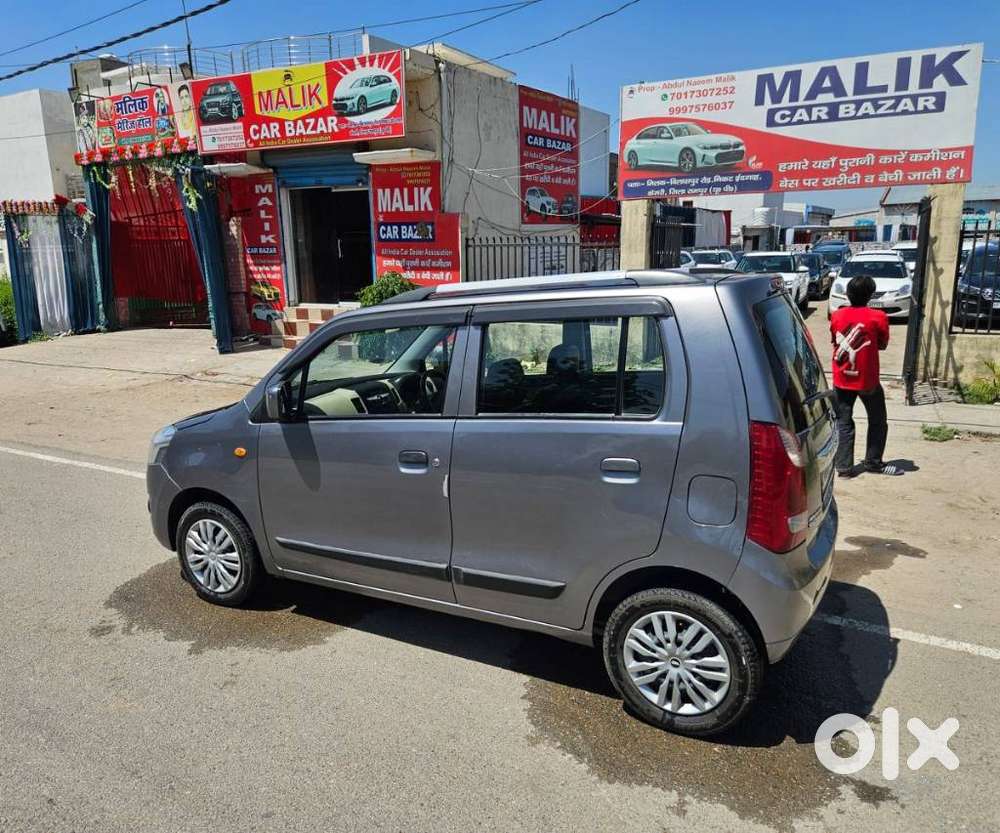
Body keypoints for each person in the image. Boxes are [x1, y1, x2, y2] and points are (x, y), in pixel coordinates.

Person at [830, 274, 900, 477]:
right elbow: (882, 344)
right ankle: (873, 462)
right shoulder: (878, 317)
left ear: (848, 294)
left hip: (842, 379)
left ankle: (843, 467)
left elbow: (834, 340)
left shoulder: (837, 315)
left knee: (843, 420)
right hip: (867, 379)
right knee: (877, 420)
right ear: (870, 295)